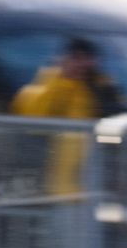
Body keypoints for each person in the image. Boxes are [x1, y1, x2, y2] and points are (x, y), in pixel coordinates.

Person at [9, 36, 109, 196]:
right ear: (61, 59)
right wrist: (64, 78)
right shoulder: (35, 91)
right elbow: (38, 122)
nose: (81, 65)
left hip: (80, 192)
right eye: (76, 58)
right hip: (43, 191)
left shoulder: (93, 91)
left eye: (86, 60)